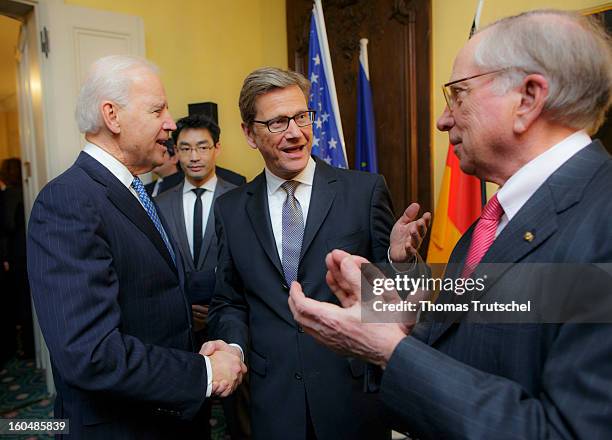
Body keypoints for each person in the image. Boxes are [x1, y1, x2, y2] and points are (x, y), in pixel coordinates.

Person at [289, 9, 612, 439]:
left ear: (529, 99)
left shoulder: (602, 220)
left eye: (458, 95)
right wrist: (395, 316)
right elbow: (474, 344)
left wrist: (390, 350)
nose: (443, 119)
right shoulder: (490, 225)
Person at [27, 55, 246, 439]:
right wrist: (205, 373)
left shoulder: (131, 190)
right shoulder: (69, 201)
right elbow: (90, 352)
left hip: (166, 417)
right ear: (112, 116)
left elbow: (154, 287)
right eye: (158, 109)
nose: (170, 123)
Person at [207, 66, 402, 440]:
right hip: (272, 401)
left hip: (350, 397)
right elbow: (230, 301)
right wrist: (232, 348)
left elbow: (394, 306)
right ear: (250, 133)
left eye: (301, 116)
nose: (296, 133)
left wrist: (398, 261)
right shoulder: (231, 210)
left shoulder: (364, 192)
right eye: (278, 122)